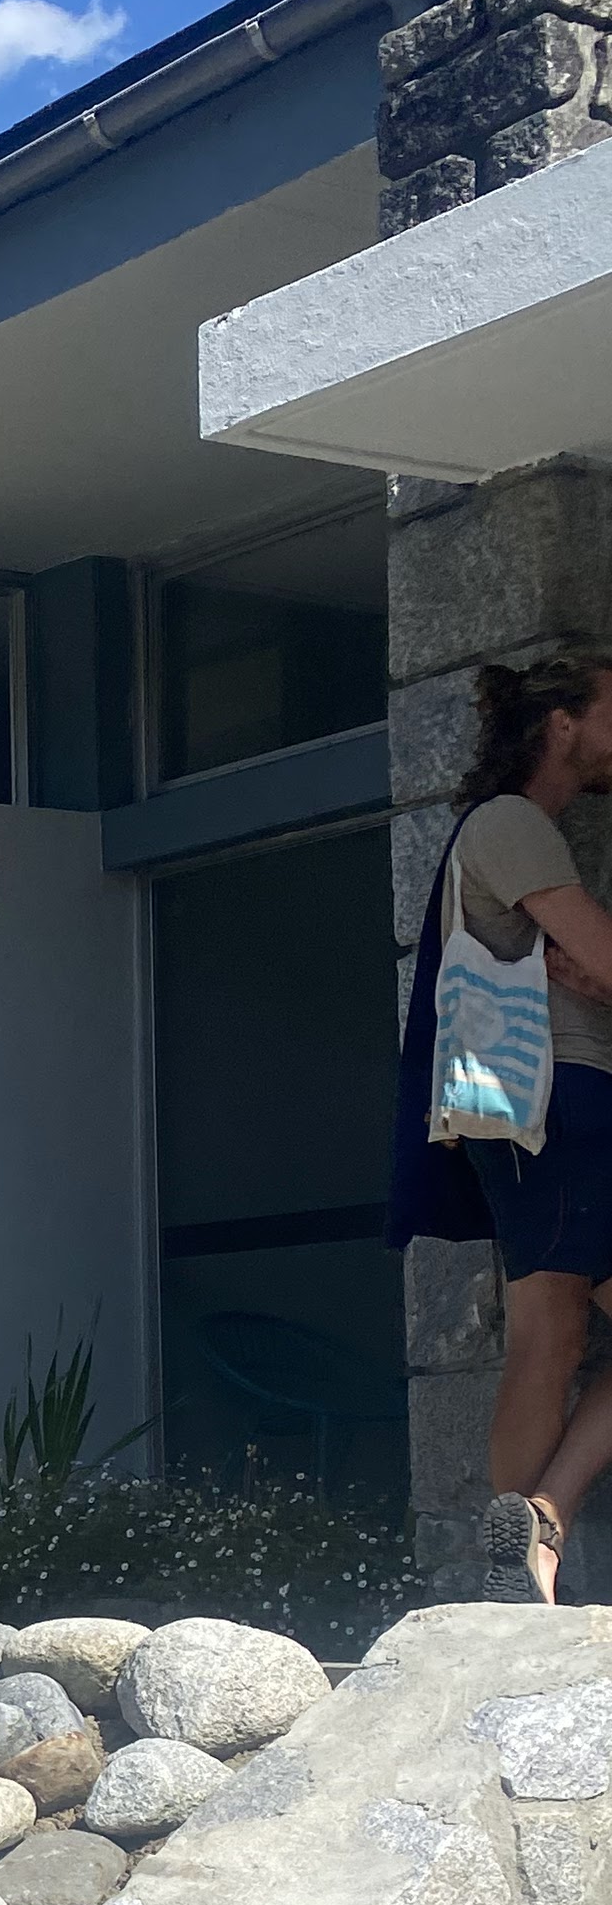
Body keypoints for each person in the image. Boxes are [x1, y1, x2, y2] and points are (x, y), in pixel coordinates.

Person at [399, 655, 612, 1598]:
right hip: (548, 1103)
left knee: (550, 1331)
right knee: (548, 1333)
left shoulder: (523, 831)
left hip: (562, 1108)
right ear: (563, 724)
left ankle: (536, 1530)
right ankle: (517, 1578)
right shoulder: (510, 822)